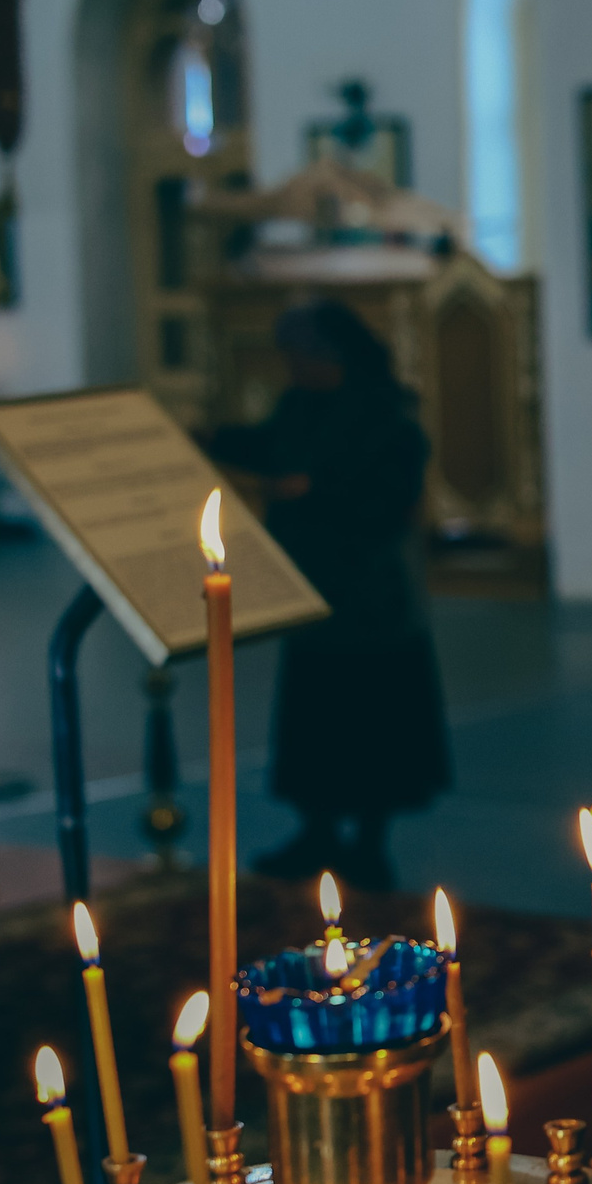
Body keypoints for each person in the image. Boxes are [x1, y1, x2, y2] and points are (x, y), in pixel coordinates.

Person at [209, 300, 451, 892]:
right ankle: (316, 831)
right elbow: (268, 446)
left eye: (301, 357)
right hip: (314, 590)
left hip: (373, 598)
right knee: (317, 718)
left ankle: (368, 844)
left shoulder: (386, 412)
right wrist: (204, 440)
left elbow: (389, 492)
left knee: (370, 723)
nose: (292, 367)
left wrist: (313, 489)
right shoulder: (301, 404)